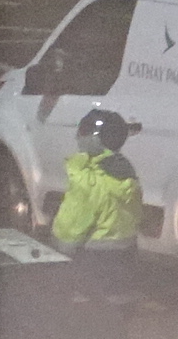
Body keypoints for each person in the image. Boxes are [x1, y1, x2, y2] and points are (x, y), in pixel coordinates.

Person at [50, 107, 146, 253]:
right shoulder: (128, 177)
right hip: (125, 258)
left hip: (90, 263)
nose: (77, 137)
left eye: (82, 132)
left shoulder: (89, 182)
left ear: (96, 138)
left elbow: (67, 238)